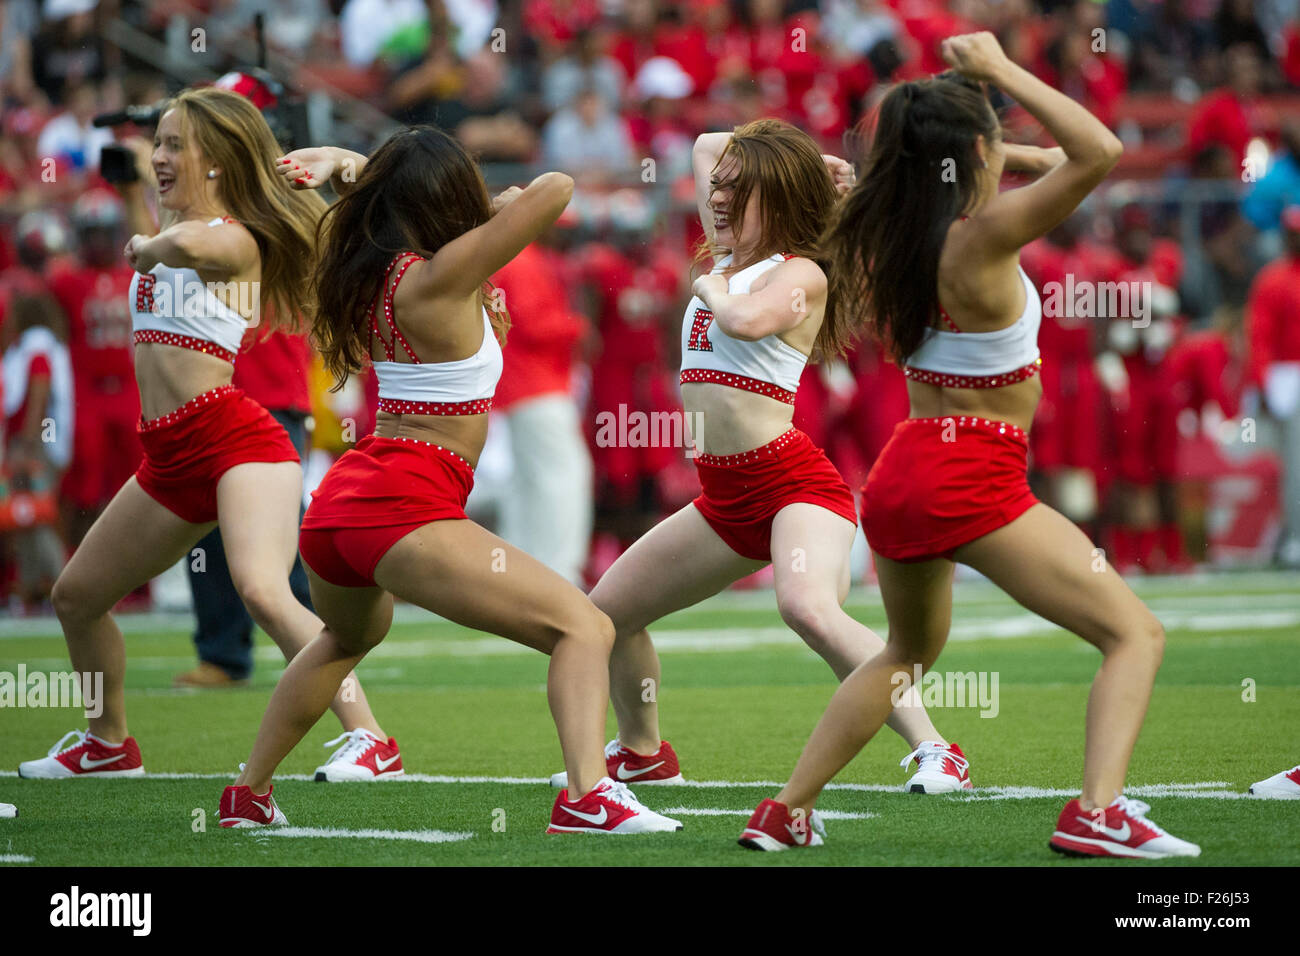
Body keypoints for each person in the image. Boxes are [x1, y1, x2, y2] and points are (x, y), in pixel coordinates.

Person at [738, 33, 1199, 858]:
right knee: (1134, 634)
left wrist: (983, 139)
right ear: (976, 152)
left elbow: (1022, 156)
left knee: (904, 654)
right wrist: (998, 72)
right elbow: (1097, 151)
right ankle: (1097, 812)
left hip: (901, 472)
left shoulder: (883, 227)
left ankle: (785, 811)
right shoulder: (981, 232)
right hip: (973, 469)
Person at [217, 128, 682, 835]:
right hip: (404, 502)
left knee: (340, 643)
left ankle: (246, 793)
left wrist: (356, 174)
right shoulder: (443, 274)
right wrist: (494, 202)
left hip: (341, 508)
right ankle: (587, 797)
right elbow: (556, 189)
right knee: (584, 627)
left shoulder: (378, 270)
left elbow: (371, 210)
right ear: (447, 198)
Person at [549, 118, 972, 798]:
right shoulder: (725, 252)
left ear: (776, 200)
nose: (716, 197)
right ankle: (643, 751)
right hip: (725, 499)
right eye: (718, 190)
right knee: (605, 618)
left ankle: (936, 749)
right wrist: (810, 158)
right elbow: (704, 143)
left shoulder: (799, 270)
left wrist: (714, 287)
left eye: (736, 191)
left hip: (794, 486)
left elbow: (745, 321)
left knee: (808, 608)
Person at [17, 87, 395, 779]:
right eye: (156, 143)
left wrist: (151, 238)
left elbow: (189, 241)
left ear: (217, 163)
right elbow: (167, 234)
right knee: (77, 598)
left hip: (237, 442)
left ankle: (370, 737)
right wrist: (146, 195)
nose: (160, 157)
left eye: (173, 146)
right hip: (167, 455)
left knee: (262, 589)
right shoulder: (172, 221)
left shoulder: (231, 239)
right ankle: (107, 743)